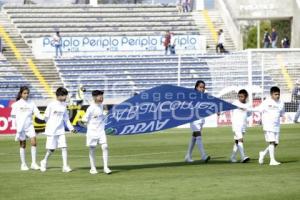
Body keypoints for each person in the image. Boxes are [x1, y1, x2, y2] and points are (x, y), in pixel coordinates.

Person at [40, 87, 76, 172]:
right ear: (59, 95)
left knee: (64, 147)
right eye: (64, 96)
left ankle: (65, 166)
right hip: (51, 130)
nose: (65, 98)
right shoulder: (51, 105)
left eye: (66, 96)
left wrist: (71, 128)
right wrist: (50, 126)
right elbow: (45, 117)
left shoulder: (64, 105)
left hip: (61, 130)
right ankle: (44, 161)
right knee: (51, 149)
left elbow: (66, 119)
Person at [11, 86, 44, 171]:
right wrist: (15, 127)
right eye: (24, 93)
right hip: (21, 128)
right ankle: (23, 164)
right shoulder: (16, 104)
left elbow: (37, 113)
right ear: (21, 94)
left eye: (27, 93)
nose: (26, 95)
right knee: (23, 144)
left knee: (34, 142)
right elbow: (13, 116)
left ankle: (33, 163)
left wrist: (44, 118)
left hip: (29, 126)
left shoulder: (31, 103)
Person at [82, 90, 111, 175]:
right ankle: (93, 168)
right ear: (95, 97)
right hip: (92, 132)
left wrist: (105, 114)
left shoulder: (102, 106)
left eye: (102, 96)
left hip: (101, 131)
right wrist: (86, 122)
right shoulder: (90, 108)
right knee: (92, 149)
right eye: (100, 96)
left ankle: (106, 167)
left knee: (105, 146)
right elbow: (84, 119)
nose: (102, 98)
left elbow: (104, 117)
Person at [256, 87, 284, 166]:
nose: (277, 96)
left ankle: (263, 153)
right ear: (271, 94)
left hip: (276, 126)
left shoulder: (281, 102)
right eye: (275, 94)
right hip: (268, 125)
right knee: (272, 142)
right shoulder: (266, 102)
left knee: (275, 143)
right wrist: (246, 109)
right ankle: (272, 161)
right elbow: (258, 109)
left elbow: (282, 112)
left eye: (278, 94)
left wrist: (283, 115)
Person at [185, 80, 211, 163]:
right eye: (200, 87)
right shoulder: (192, 96)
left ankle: (188, 155)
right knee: (198, 137)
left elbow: (211, 104)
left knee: (194, 138)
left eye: (203, 87)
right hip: (194, 119)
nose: (202, 89)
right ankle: (203, 155)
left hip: (201, 119)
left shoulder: (204, 96)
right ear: (196, 87)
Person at [230, 89, 251, 163]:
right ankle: (243, 157)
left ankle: (232, 157)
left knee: (237, 141)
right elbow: (228, 108)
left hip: (243, 125)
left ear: (246, 97)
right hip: (236, 125)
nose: (240, 98)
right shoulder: (235, 103)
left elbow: (249, 114)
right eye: (239, 96)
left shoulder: (248, 104)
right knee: (240, 139)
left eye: (242, 96)